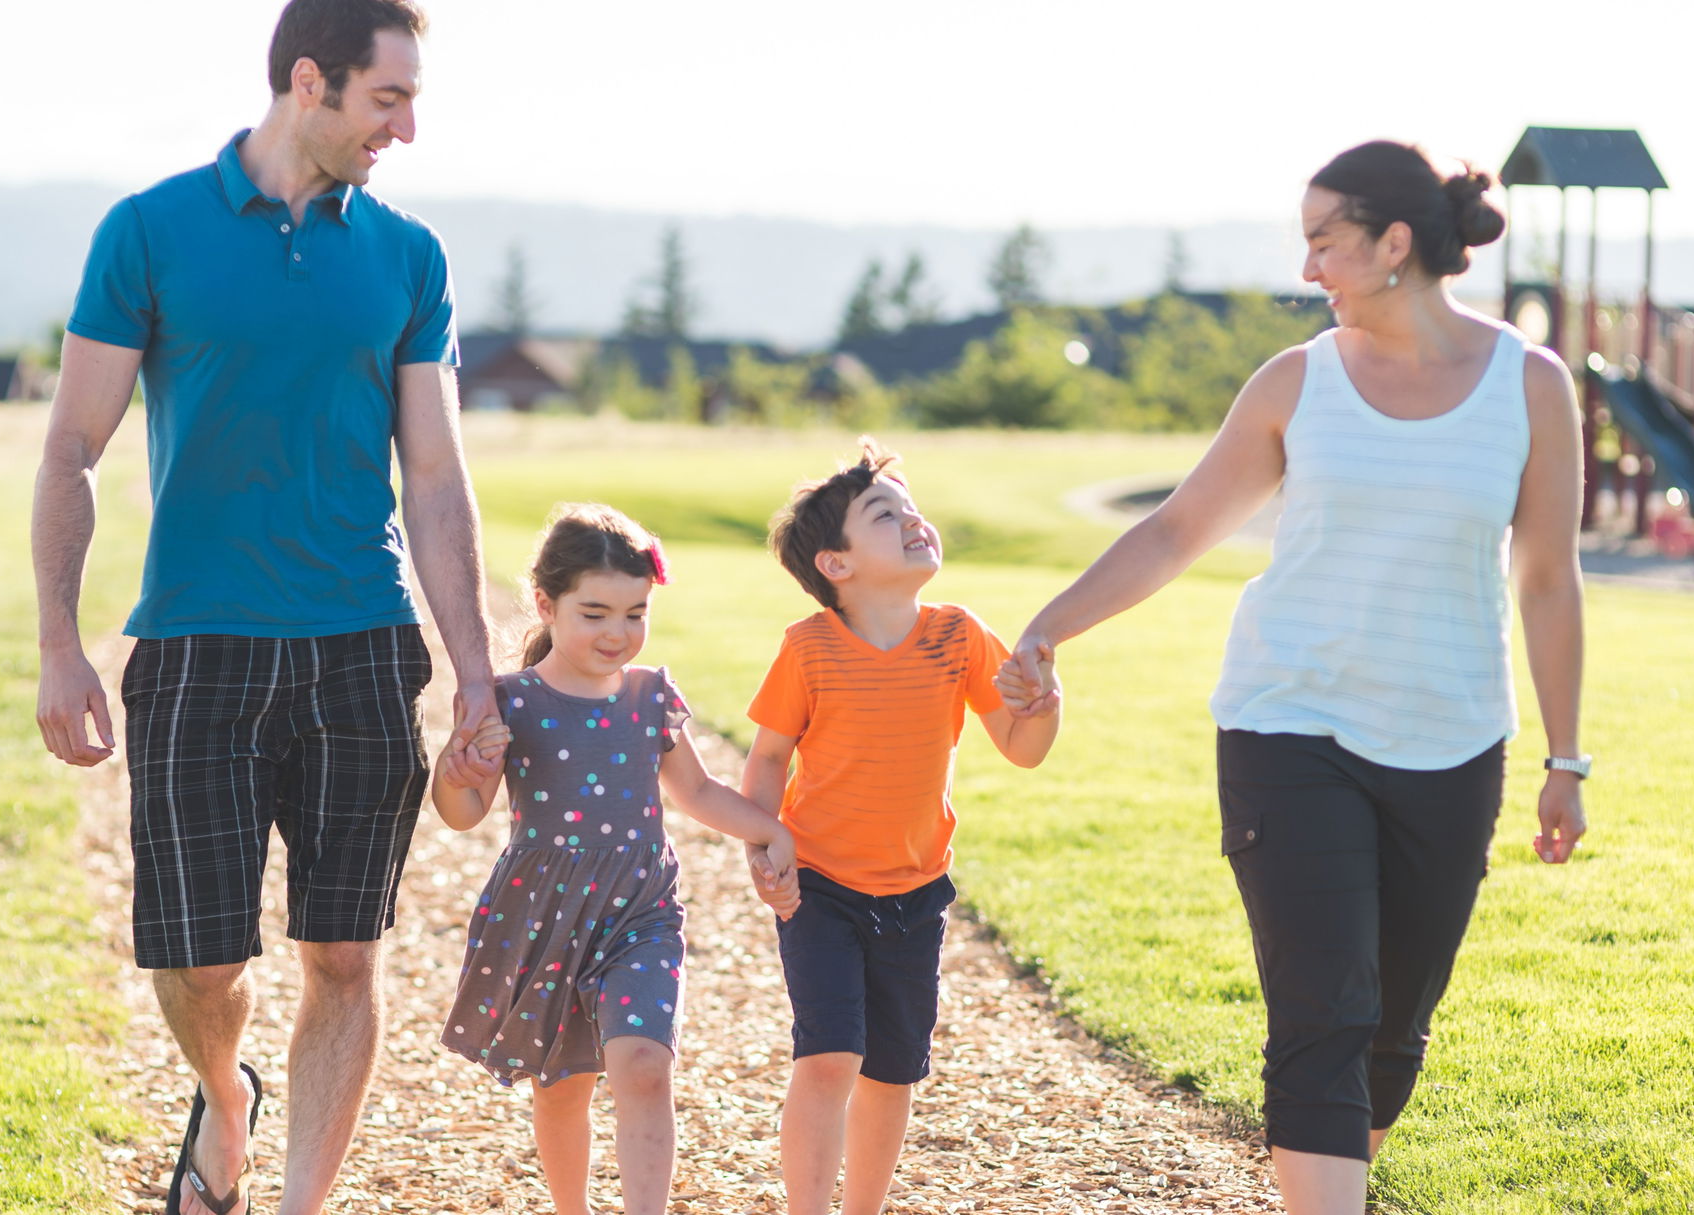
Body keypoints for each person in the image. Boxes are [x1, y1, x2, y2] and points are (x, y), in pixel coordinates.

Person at [999, 141, 1589, 1214]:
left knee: (1392, 1034)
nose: (1309, 267)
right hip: (1288, 727)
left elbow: (1547, 580)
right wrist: (1047, 628)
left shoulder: (1529, 388)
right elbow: (1178, 527)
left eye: (1325, 240)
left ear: (1393, 244)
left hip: (1452, 741)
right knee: (1322, 1013)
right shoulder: (1296, 382)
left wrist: (1565, 757)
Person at [28, 3, 501, 1213]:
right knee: (200, 962)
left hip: (360, 642)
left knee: (344, 955)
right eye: (387, 99)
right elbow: (74, 447)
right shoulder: (150, 233)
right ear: (309, 82)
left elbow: (438, 479)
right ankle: (224, 1100)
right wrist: (59, 648)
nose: (406, 126)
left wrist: (476, 677)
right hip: (196, 642)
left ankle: (295, 1202)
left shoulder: (407, 257)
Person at [430, 504, 797, 1215]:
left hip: (641, 912)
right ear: (547, 602)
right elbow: (464, 814)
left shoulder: (651, 695)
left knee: (644, 1064)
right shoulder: (512, 701)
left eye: (635, 613)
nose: (618, 633)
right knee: (562, 1086)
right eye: (595, 612)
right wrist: (455, 770)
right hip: (544, 918)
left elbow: (695, 789)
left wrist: (768, 831)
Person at [740, 442, 1062, 1215]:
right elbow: (767, 760)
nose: (914, 519)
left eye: (912, 506)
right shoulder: (808, 649)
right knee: (830, 1056)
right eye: (885, 513)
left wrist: (1047, 706)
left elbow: (1019, 749)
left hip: (917, 891)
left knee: (892, 1071)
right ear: (837, 565)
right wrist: (764, 845)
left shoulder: (959, 635)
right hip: (819, 886)